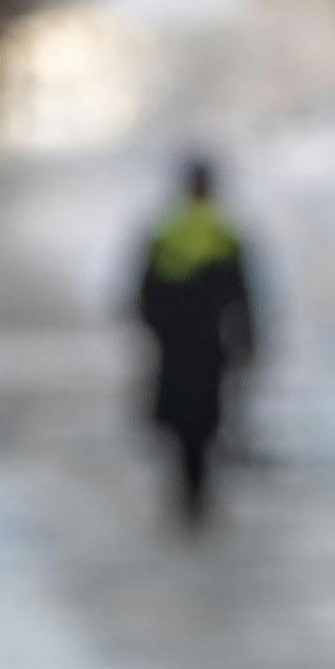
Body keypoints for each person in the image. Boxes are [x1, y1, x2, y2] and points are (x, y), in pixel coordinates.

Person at [131, 154, 259, 531]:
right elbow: (244, 293)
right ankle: (200, 500)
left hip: (175, 345)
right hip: (211, 342)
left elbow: (142, 294)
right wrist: (248, 337)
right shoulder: (225, 231)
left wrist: (156, 329)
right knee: (207, 421)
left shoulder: (164, 231)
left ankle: (184, 499)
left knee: (178, 422)